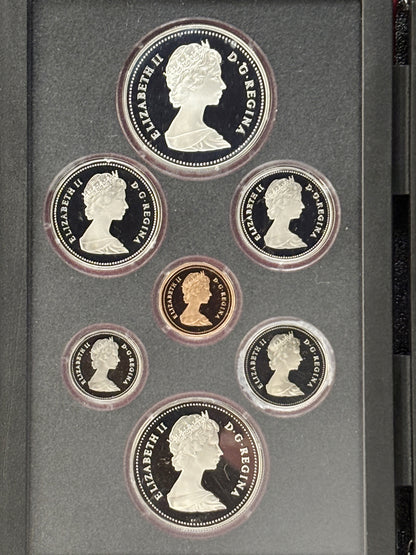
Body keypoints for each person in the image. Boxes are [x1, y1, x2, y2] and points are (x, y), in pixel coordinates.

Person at [164, 41, 231, 152]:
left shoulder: (172, 133)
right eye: (215, 77)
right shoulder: (209, 140)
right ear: (194, 82)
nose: (223, 85)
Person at [167, 411, 226, 512]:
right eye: (213, 445)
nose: (220, 452)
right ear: (194, 448)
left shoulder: (175, 495)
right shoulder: (208, 503)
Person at [79, 171, 129, 255]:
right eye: (120, 199)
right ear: (105, 201)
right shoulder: (113, 245)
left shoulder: (85, 240)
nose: (126, 206)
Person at [263, 176, 307, 249]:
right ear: (282, 204)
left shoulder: (293, 240)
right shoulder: (292, 241)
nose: (302, 206)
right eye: (297, 201)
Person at [265, 332, 305, 397]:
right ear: (284, 356)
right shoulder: (290, 390)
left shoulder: (270, 386)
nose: (300, 358)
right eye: (296, 353)